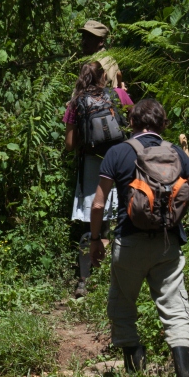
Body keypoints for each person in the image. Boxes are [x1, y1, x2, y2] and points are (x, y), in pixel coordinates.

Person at [88, 98, 189, 377]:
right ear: (162, 124)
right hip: (167, 245)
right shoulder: (176, 154)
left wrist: (95, 239)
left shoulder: (117, 153)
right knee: (175, 311)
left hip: (129, 244)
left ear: (131, 123)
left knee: (122, 307)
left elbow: (98, 203)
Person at [64, 20, 132, 298]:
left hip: (91, 160)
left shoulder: (78, 99)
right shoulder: (118, 93)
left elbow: (70, 142)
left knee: (90, 218)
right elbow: (132, 120)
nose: (84, 40)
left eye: (88, 37)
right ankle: (118, 278)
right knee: (118, 219)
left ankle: (84, 279)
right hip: (119, 157)